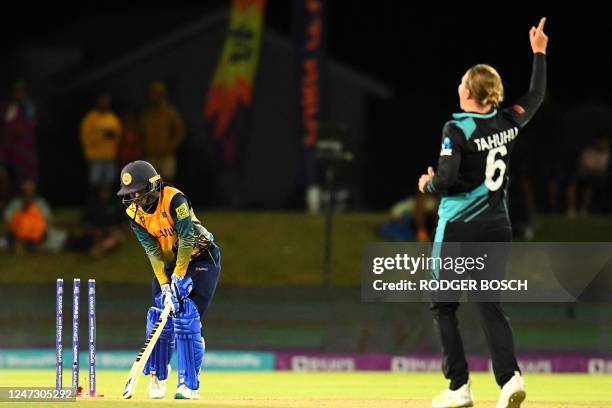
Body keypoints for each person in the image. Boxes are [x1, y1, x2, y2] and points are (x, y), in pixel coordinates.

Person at [417, 18, 548, 408]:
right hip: (498, 226)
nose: (457, 87)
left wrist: (427, 184)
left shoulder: (456, 129)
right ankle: (510, 380)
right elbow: (536, 96)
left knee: (444, 305)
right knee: (490, 303)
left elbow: (446, 178)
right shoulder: (508, 121)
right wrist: (539, 53)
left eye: (461, 82)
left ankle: (459, 388)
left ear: (471, 91)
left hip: (458, 227)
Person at [116, 160, 221, 399]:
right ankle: (158, 376)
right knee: (158, 315)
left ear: (152, 186)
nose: (135, 198)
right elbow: (152, 250)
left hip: (202, 258)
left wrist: (180, 277)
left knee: (187, 316)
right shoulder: (134, 213)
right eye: (130, 194)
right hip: (171, 262)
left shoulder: (175, 200)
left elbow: (186, 239)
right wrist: (165, 284)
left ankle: (188, 385)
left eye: (139, 192)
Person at [138, 81, 184, 182]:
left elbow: (179, 133)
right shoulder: (146, 115)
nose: (154, 96)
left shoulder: (171, 113)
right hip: (150, 156)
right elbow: (140, 133)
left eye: (157, 93)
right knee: (152, 186)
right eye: (152, 93)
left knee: (168, 184)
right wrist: (145, 146)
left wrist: (170, 146)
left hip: (166, 156)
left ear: (163, 94)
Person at [80, 93, 122, 190]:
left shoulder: (113, 118)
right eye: (102, 100)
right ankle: (95, 203)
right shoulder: (90, 118)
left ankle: (106, 203)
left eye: (106, 101)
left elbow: (118, 137)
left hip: (110, 156)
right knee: (95, 181)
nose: (104, 103)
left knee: (109, 180)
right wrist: (101, 135)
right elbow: (85, 137)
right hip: (95, 156)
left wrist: (113, 136)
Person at [4, 178, 51, 253]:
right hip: (19, 235)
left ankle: (36, 247)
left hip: (36, 234)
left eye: (31, 184)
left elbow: (46, 219)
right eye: (26, 184)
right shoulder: (16, 202)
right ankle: (19, 247)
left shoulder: (40, 202)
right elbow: (8, 219)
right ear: (21, 187)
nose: (28, 187)